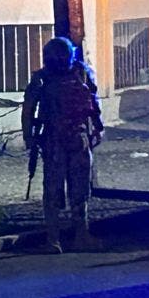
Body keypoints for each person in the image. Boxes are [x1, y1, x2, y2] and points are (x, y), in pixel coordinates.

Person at [21, 37, 105, 253]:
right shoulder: (76, 74)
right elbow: (94, 103)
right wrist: (98, 128)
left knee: (69, 190)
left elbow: (28, 110)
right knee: (68, 190)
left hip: (63, 140)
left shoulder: (50, 77)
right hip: (69, 139)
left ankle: (60, 239)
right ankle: (70, 237)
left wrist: (29, 138)